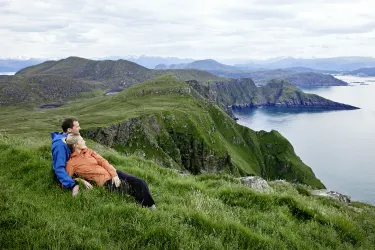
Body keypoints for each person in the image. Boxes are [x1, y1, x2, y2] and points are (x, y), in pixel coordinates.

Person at [65, 134, 156, 208]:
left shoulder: (89, 151)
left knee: (140, 182)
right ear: (75, 145)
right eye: (81, 140)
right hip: (104, 182)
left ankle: (151, 207)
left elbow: (103, 161)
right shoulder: (71, 163)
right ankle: (145, 207)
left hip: (113, 173)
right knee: (128, 188)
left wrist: (114, 174)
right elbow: (66, 181)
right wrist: (80, 180)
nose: (84, 141)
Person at [51, 117, 91, 196]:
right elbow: (59, 168)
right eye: (77, 127)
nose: (80, 128)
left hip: (75, 167)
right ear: (69, 130)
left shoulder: (71, 139)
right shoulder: (60, 146)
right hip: (67, 173)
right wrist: (73, 184)